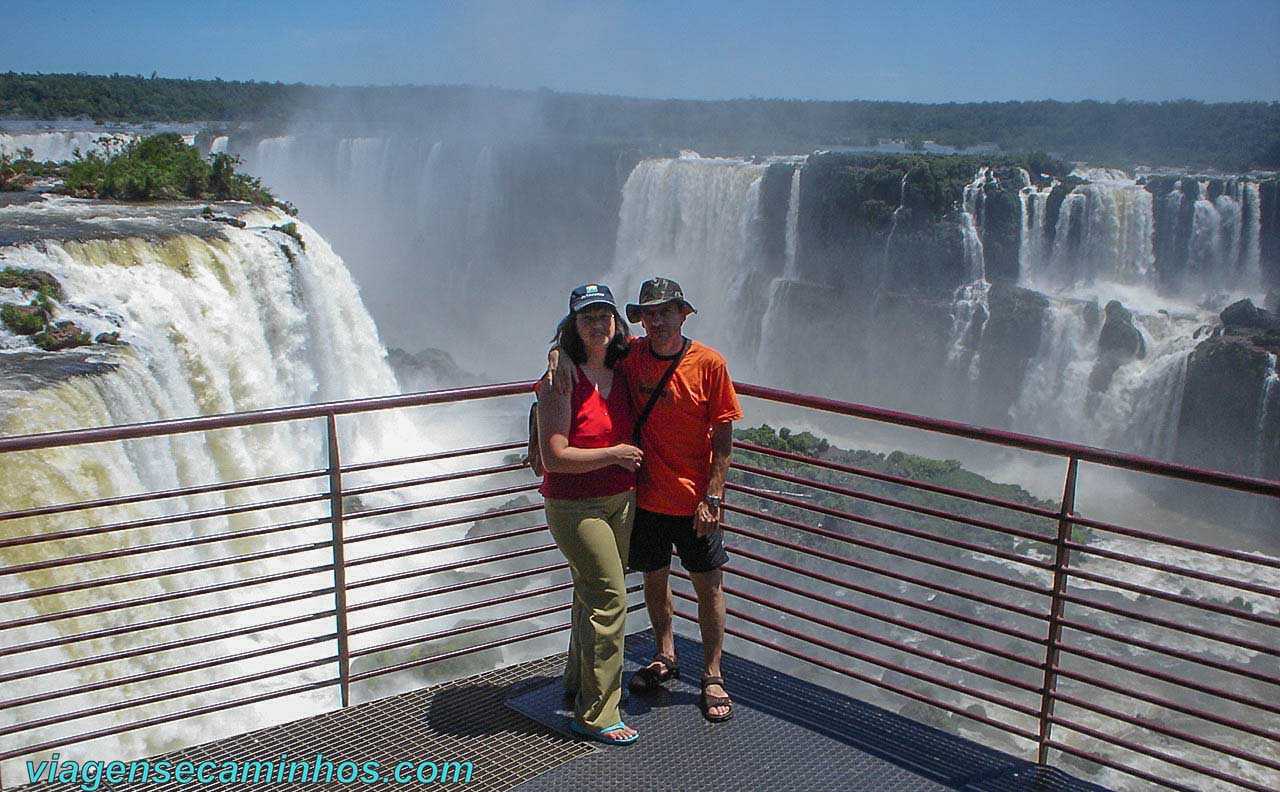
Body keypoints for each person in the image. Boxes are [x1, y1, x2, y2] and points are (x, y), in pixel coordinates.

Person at [550, 277, 742, 723]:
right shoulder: (632, 356)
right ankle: (665, 653)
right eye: (649, 313)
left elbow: (726, 436)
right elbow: (583, 347)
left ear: (683, 313)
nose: (658, 320)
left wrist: (713, 495)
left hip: (697, 501)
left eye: (666, 311)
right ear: (639, 321)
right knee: (654, 581)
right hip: (645, 497)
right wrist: (555, 353)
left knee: (707, 586)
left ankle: (712, 673)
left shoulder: (709, 364)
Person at [535, 282, 643, 746]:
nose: (596, 325)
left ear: (615, 322)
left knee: (591, 594)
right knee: (611, 599)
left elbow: (668, 347)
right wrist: (615, 453)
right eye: (586, 318)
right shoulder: (560, 378)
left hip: (622, 500)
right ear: (572, 326)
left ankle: (579, 683)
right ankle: (597, 714)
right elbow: (555, 456)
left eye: (604, 316)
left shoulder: (625, 364)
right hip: (575, 505)